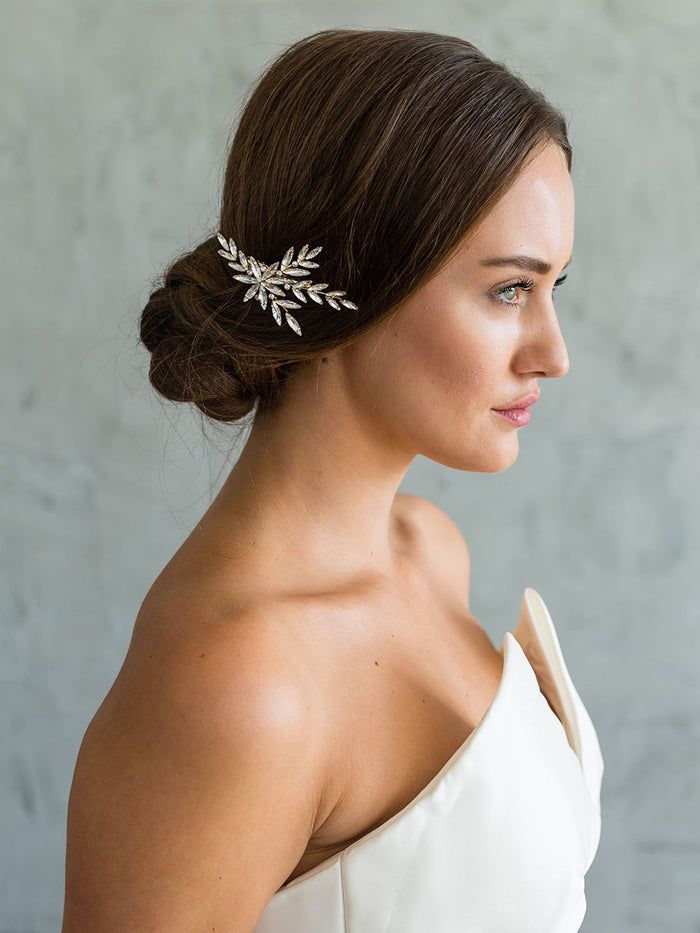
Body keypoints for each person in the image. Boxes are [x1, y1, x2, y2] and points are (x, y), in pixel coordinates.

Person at [61, 27, 603, 932]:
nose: (555, 352)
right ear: (358, 282)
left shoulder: (431, 549)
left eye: (557, 288)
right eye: (511, 290)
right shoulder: (239, 688)